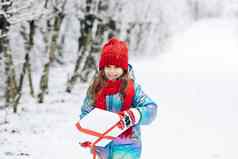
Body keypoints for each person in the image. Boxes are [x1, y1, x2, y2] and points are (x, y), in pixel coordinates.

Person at [79, 37, 158, 159]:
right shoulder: (95, 88)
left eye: (116, 67)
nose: (112, 71)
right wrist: (89, 135)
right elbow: (86, 114)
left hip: (128, 149)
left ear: (124, 68)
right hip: (102, 148)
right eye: (108, 66)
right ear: (102, 67)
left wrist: (134, 115)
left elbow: (151, 109)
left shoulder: (133, 89)